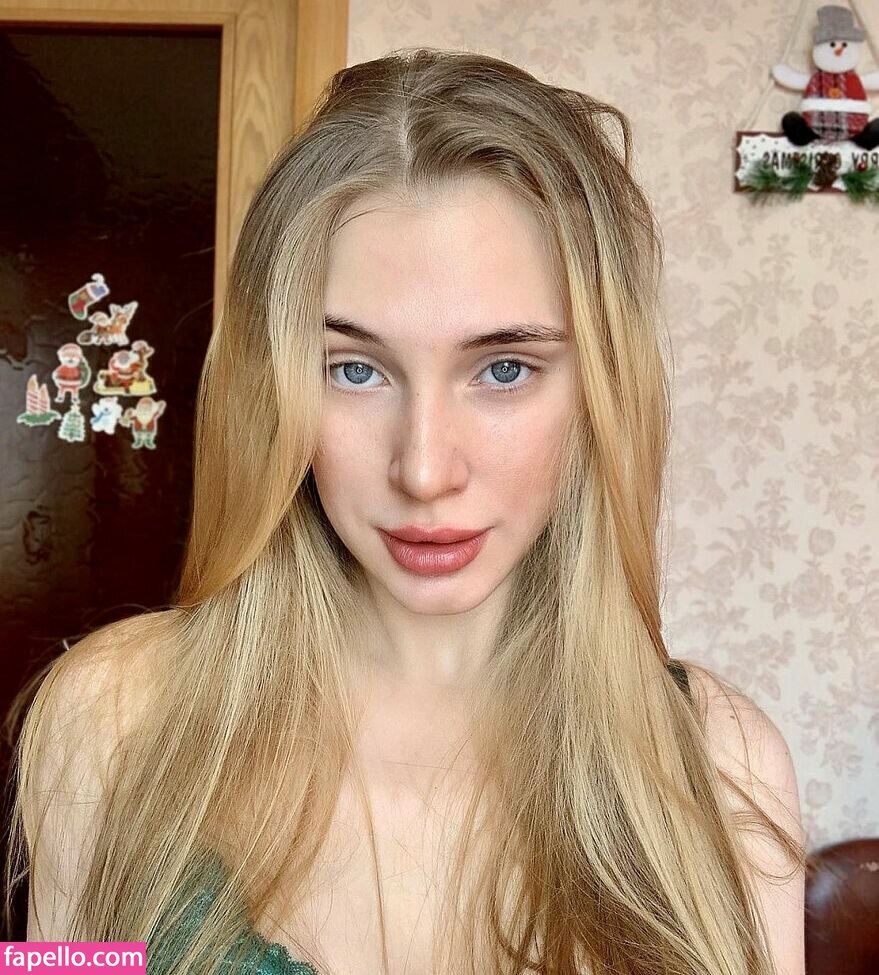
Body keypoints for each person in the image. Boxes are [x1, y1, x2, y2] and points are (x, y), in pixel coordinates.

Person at [5, 47, 806, 975]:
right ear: (276, 386)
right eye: (354, 369)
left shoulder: (723, 767)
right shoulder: (108, 721)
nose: (423, 469)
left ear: (602, 388)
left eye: (503, 368)